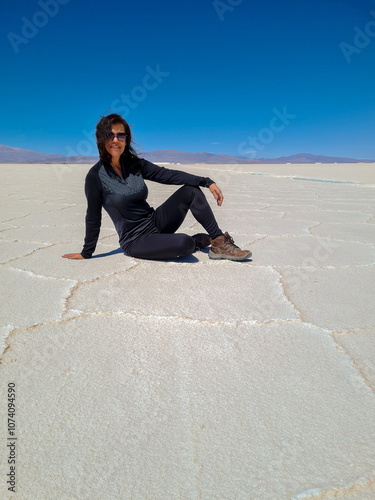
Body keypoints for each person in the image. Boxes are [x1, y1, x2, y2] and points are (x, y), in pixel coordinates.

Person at [62, 114, 251, 262]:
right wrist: (87, 252)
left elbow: (167, 175)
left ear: (126, 139)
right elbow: (93, 217)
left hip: (155, 222)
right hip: (135, 240)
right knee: (184, 242)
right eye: (110, 134)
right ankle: (193, 242)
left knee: (191, 191)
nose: (115, 140)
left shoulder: (135, 164)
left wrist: (206, 181)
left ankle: (219, 242)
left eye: (121, 135)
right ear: (101, 139)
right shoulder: (95, 177)